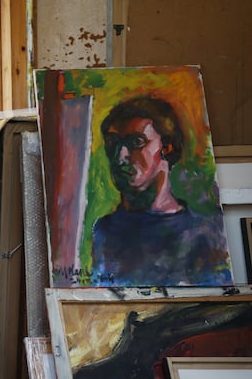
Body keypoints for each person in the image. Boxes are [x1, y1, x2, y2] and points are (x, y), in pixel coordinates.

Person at [91, 95, 232, 286]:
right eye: (112, 143)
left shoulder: (202, 235)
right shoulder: (103, 232)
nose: (120, 156)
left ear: (166, 147)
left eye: (136, 142)